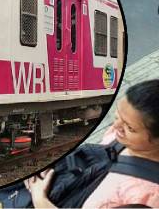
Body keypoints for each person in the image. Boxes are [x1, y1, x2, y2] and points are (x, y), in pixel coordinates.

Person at [26, 79, 159, 208]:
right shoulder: (119, 137)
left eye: (130, 128)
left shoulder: (149, 195)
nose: (116, 125)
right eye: (118, 115)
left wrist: (40, 200)